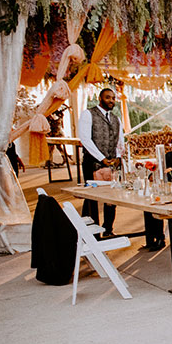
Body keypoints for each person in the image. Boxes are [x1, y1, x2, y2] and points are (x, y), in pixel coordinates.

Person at [78, 88, 123, 237]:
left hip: (112, 163)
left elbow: (120, 140)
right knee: (92, 197)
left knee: (112, 197)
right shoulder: (88, 114)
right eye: (108, 97)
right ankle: (91, 233)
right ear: (100, 98)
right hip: (93, 161)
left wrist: (117, 157)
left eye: (113, 98)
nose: (111, 100)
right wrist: (101, 158)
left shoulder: (116, 118)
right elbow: (85, 139)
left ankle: (108, 229)